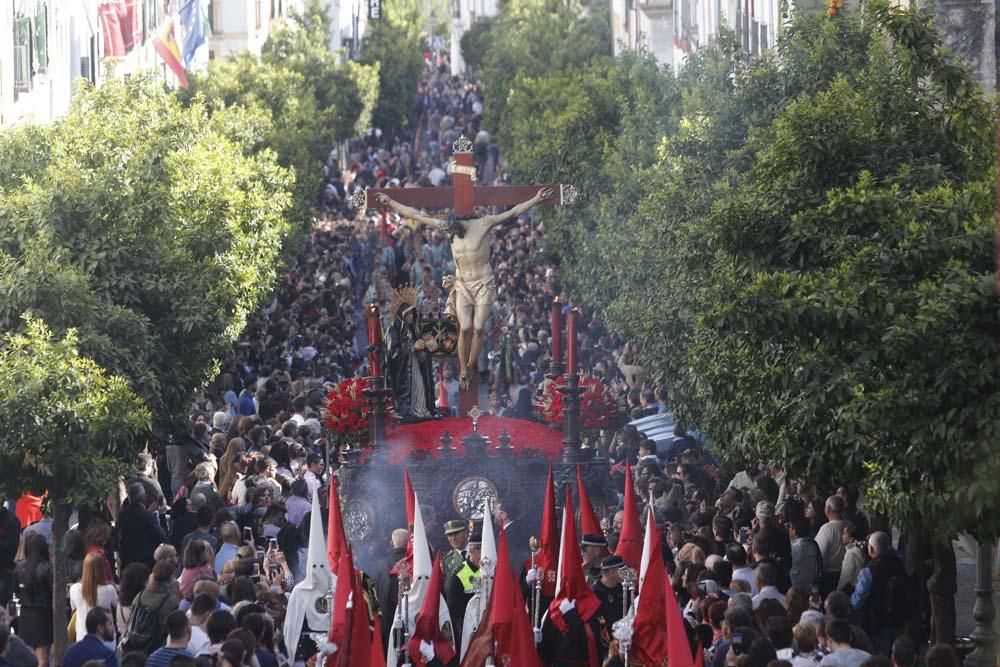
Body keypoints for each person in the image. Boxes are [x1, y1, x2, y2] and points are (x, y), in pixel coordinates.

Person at [374, 186, 554, 389]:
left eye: (450, 232)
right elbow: (416, 215)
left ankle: (469, 365)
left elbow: (512, 213)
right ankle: (463, 369)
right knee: (465, 327)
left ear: (458, 226)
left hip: (483, 281)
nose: (448, 235)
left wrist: (536, 199)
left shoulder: (482, 224)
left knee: (478, 328)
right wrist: (390, 202)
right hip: (462, 284)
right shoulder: (448, 229)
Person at [850, 532, 907, 656]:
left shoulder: (869, 571)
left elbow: (856, 602)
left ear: (871, 549)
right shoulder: (900, 563)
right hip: (899, 618)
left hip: (877, 623)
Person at [386, 301, 439, 422]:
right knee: (412, 387)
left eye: (412, 314)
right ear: (401, 315)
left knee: (420, 386)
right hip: (403, 371)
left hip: (415, 364)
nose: (410, 317)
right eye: (407, 314)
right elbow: (393, 354)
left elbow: (421, 349)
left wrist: (425, 347)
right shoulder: (393, 330)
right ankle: (409, 411)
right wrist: (412, 348)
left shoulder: (414, 329)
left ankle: (421, 410)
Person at [15, 532, 53, 666]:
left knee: (28, 657)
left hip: (25, 615)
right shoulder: (48, 569)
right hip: (43, 616)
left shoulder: (19, 567)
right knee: (43, 657)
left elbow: (16, 591)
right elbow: (52, 593)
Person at [70, 552, 120, 642]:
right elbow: (117, 606)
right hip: (106, 639)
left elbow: (73, 608)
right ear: (102, 569)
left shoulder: (74, 589)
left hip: (82, 638)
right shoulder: (109, 589)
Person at [119, 483, 167, 568]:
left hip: (127, 561)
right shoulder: (148, 516)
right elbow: (161, 536)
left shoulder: (122, 514)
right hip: (145, 562)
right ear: (142, 497)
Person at [814, 496, 848, 595]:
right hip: (847, 577)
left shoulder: (827, 529)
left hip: (829, 579)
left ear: (828, 509)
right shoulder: (850, 525)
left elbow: (818, 555)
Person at [591, 556, 626, 629]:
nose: (625, 573)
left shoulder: (624, 588)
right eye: (622, 570)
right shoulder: (595, 593)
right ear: (612, 571)